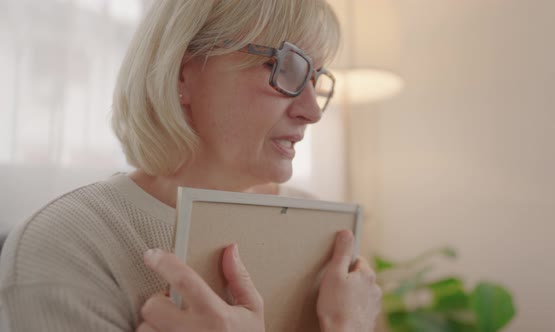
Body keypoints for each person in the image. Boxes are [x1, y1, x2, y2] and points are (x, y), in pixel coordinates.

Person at [0, 1, 382, 331]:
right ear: (182, 73)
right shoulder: (69, 245)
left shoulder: (314, 223)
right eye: (284, 67)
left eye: (315, 80)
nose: (312, 111)